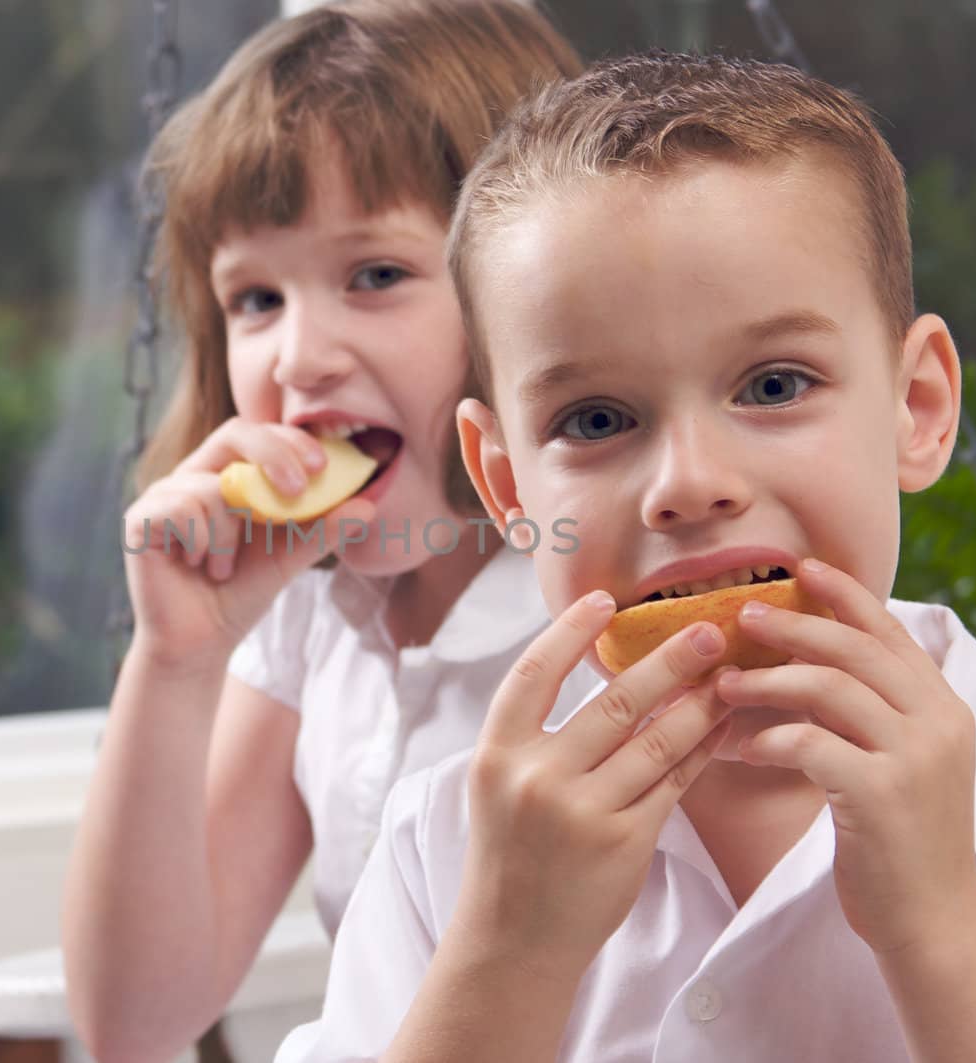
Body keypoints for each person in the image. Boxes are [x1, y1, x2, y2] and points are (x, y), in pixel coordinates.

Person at [277, 53, 976, 1063]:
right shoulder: (448, 852)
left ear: (915, 409)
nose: (689, 481)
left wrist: (939, 923)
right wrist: (506, 955)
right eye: (597, 417)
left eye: (773, 386)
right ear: (508, 488)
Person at [60, 4, 600, 1061]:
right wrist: (177, 659)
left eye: (375, 275)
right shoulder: (308, 617)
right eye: (255, 298)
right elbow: (133, 1019)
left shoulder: (605, 615)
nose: (299, 357)